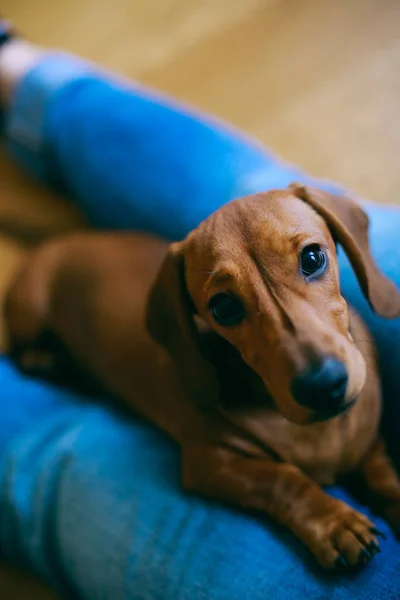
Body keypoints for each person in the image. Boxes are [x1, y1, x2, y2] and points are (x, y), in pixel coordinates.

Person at [0, 19, 400, 600]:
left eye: (311, 260)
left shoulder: (326, 255)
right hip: (51, 281)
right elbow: (203, 465)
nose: (314, 359)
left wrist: (378, 472)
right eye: (228, 308)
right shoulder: (208, 381)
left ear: (346, 246)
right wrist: (296, 498)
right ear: (190, 325)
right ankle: (26, 85)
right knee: (36, 329)